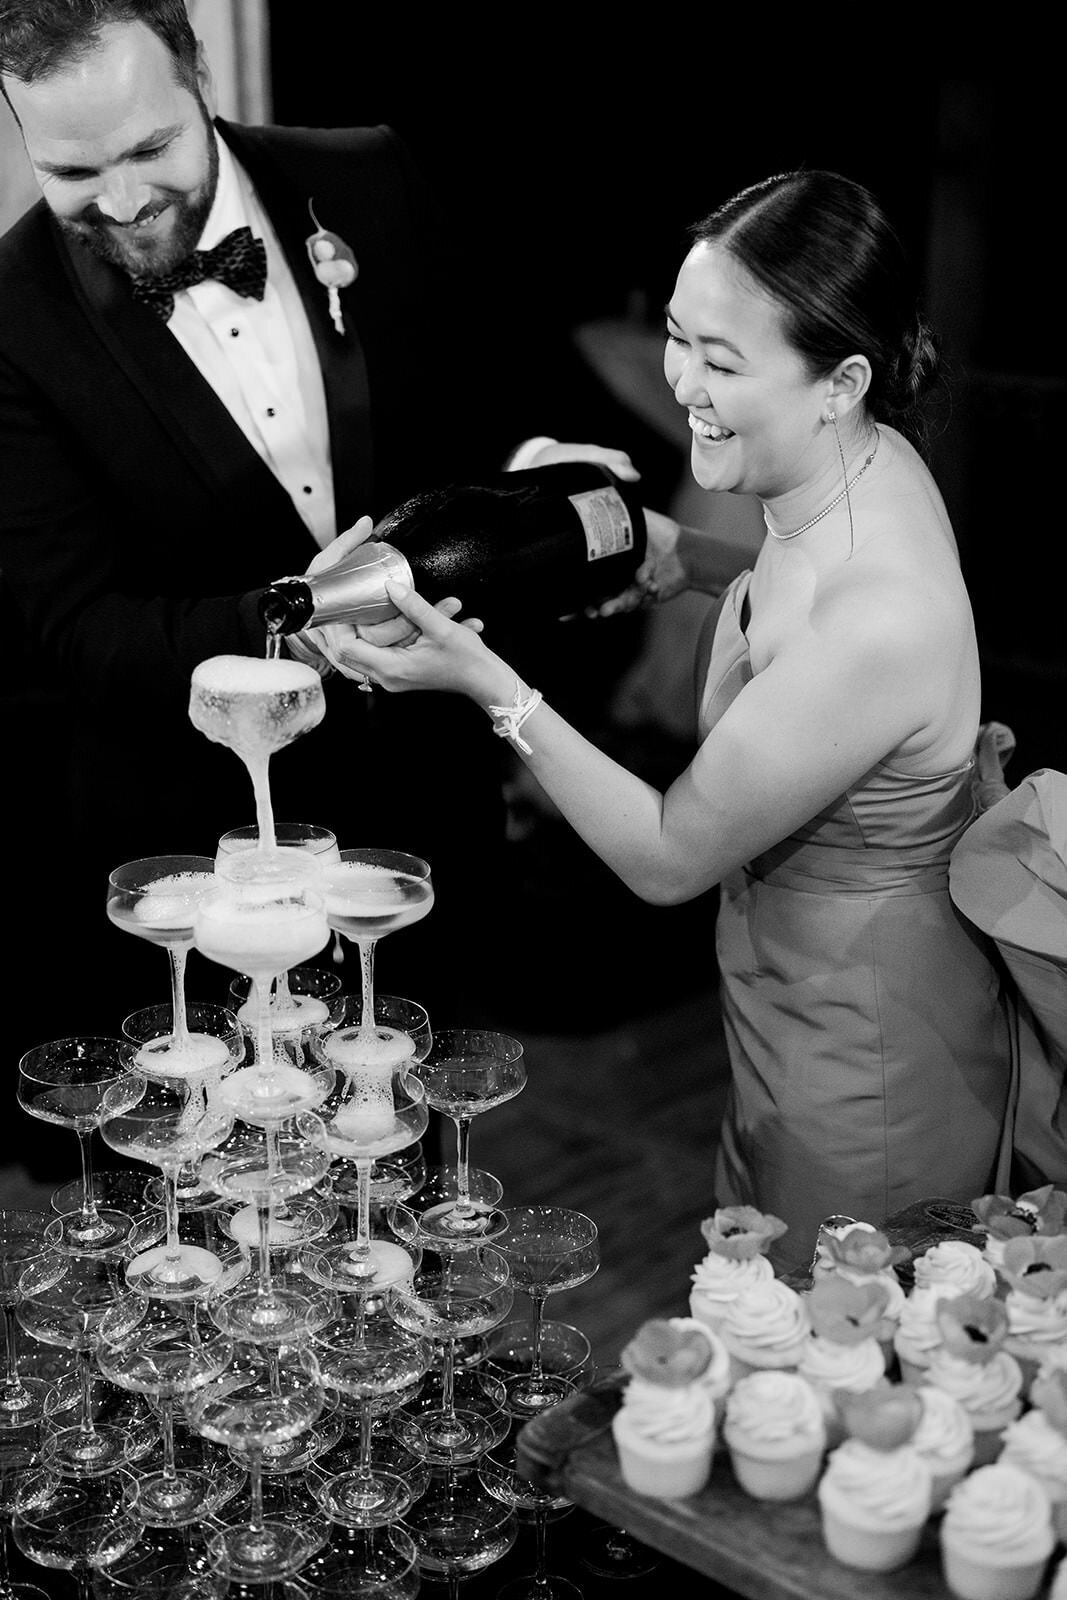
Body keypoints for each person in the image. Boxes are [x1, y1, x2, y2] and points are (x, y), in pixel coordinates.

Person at [0, 0, 640, 1186]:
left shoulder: (369, 178)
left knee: (419, 1188)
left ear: (198, 75)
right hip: (196, 859)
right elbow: (77, 629)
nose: (126, 202)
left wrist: (540, 476)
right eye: (72, 169)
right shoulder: (13, 314)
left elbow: (487, 403)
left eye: (151, 150)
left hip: (418, 821)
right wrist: (307, 615)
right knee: (216, 1229)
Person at [326, 169, 1014, 1271]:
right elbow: (788, 599)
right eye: (680, 337)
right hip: (787, 998)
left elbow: (665, 855)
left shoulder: (880, 613)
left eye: (723, 360)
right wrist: (675, 556)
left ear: (839, 379)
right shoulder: (862, 463)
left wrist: (484, 681)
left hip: (867, 1055)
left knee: (823, 1354)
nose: (682, 381)